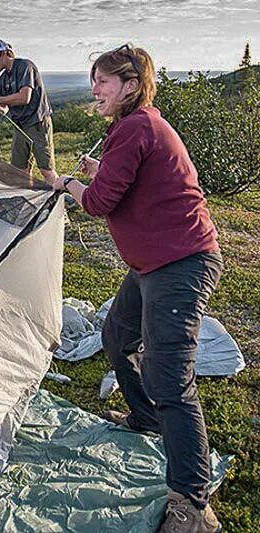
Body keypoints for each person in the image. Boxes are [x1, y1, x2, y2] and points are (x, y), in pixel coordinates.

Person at [53, 45, 222, 533]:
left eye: (103, 80)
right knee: (117, 337)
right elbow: (120, 182)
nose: (95, 89)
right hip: (155, 263)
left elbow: (101, 202)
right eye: (93, 81)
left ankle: (192, 504)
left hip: (180, 263)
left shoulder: (135, 127)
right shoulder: (137, 126)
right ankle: (146, 418)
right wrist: (94, 172)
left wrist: (66, 184)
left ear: (130, 85)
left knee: (172, 377)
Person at [0, 39, 58, 182]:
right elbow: (4, 107)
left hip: (37, 122)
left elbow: (24, 97)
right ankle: (29, 200)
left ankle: (62, 195)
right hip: (19, 126)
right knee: (20, 171)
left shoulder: (25, 66)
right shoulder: (2, 79)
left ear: (2, 54)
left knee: (46, 170)